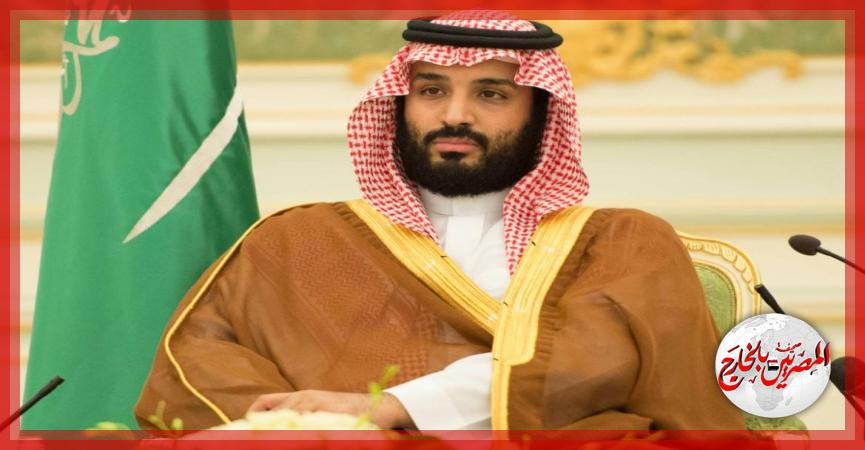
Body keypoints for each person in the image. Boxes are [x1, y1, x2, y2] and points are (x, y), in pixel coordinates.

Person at [135, 11, 746, 431]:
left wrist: (387, 408)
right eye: (431, 91)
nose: (455, 115)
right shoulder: (296, 240)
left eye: (491, 94)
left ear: (540, 114)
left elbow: (589, 364)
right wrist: (309, 428)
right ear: (400, 104)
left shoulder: (619, 241)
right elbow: (201, 359)